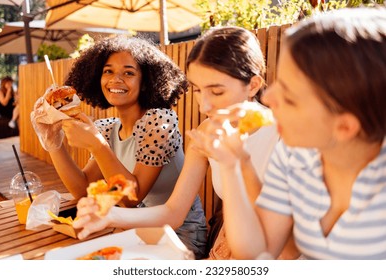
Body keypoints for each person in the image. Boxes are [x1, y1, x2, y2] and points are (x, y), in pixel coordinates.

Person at [73, 26, 291, 260]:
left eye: (216, 92)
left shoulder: (286, 135)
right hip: (231, 247)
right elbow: (173, 211)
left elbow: (278, 241)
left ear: (253, 86)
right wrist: (111, 216)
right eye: (197, 90)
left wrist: (236, 163)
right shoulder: (207, 132)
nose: (203, 107)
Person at [190, 7, 386, 259]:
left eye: (290, 97)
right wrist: (234, 164)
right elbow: (257, 252)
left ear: (344, 127)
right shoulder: (294, 155)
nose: (269, 98)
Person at [31, 35, 207, 258]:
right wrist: (52, 141)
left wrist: (97, 145)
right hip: (135, 233)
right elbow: (83, 189)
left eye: (129, 72)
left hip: (179, 238)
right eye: (108, 71)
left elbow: (133, 199)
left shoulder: (160, 122)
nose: (115, 79)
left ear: (146, 83)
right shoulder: (108, 129)